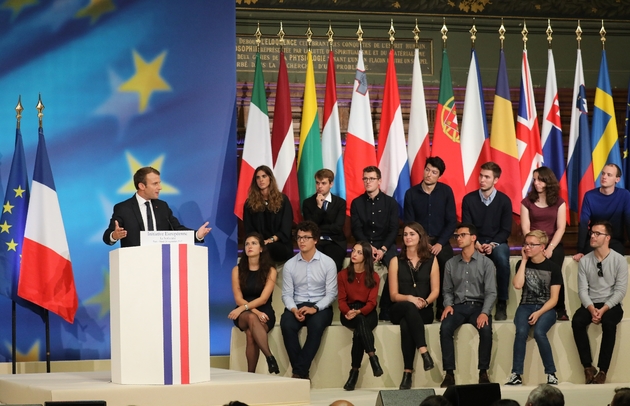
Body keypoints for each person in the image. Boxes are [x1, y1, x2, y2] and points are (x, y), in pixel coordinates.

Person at [439, 223, 496, 388]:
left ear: (473, 238)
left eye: (463, 235)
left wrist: (485, 312)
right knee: (445, 328)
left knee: (486, 330)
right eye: (457, 235)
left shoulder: (486, 263)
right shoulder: (451, 263)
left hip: (478, 306)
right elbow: (447, 290)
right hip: (458, 306)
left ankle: (483, 371)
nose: (458, 238)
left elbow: (491, 292)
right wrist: (448, 305)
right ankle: (449, 373)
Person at [571, 220, 628, 384]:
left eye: (598, 234)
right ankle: (588, 367)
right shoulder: (585, 261)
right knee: (577, 321)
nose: (593, 236)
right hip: (591, 303)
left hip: (611, 304)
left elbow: (620, 291)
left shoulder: (619, 260)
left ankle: (603, 370)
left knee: (609, 324)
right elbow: (582, 290)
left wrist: (603, 310)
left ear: (608, 238)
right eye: (592, 233)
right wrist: (591, 309)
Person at [280, 221, 338, 379]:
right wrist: (293, 309)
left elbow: (331, 293)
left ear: (316, 240)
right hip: (297, 304)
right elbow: (286, 294)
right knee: (287, 325)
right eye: (299, 238)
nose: (301, 241)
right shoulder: (290, 265)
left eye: (306, 237)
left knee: (316, 326)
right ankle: (302, 372)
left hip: (320, 306)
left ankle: (298, 373)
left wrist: (315, 308)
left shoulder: (328, 263)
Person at [505, 230, 562, 386]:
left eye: (532, 244)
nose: (527, 247)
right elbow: (517, 285)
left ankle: (551, 374)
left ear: (542, 247)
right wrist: (523, 261)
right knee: (521, 332)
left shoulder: (553, 268)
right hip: (525, 305)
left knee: (539, 332)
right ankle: (516, 374)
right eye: (526, 244)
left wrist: (539, 312)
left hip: (546, 307)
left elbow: (554, 299)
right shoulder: (521, 264)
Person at [103, 166, 211, 247]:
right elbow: (107, 236)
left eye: (159, 183)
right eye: (155, 184)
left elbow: (177, 230)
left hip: (161, 263)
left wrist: (197, 235)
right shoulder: (123, 208)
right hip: (134, 265)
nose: (160, 187)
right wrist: (114, 235)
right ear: (142, 186)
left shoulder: (162, 206)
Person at [404, 156, 457, 317]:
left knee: (447, 264)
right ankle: (421, 305)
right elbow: (410, 222)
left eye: (434, 172)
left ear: (439, 176)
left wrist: (440, 243)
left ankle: (443, 306)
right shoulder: (411, 193)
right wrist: (423, 242)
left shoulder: (446, 192)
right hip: (418, 240)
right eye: (427, 170)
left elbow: (451, 221)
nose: (429, 174)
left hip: (441, 241)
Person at [388, 222, 439, 390]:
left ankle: (407, 372)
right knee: (408, 308)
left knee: (406, 324)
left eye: (412, 234)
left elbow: (436, 290)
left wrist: (425, 301)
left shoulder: (431, 260)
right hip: (399, 308)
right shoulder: (396, 260)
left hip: (423, 310)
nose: (408, 237)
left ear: (420, 237)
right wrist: (410, 298)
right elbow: (394, 295)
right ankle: (424, 351)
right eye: (405, 235)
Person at [462, 162, 513, 321]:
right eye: (481, 175)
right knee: (468, 257)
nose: (482, 179)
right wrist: (475, 243)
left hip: (497, 242)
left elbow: (506, 229)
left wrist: (492, 244)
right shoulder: (469, 199)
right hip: (474, 241)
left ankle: (502, 302)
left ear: (495, 180)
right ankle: (472, 303)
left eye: (487, 177)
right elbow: (467, 226)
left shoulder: (504, 201)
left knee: (502, 259)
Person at [351, 165, 399, 320]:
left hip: (385, 243)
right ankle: (359, 307)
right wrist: (369, 248)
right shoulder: (356, 203)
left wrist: (383, 249)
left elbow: (393, 229)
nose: (368, 181)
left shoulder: (390, 203)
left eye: (371, 178)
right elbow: (356, 229)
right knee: (355, 265)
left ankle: (385, 308)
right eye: (365, 178)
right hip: (365, 244)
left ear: (379, 181)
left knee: (396, 268)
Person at [520, 166, 568, 320]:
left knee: (555, 273)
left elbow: (561, 228)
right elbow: (526, 228)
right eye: (534, 179)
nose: (536, 183)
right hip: (533, 244)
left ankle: (560, 308)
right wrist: (535, 247)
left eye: (540, 180)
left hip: (553, 244)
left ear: (548, 181)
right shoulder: (527, 202)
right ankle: (534, 306)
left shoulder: (559, 202)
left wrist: (550, 248)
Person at [228, 232, 279, 375]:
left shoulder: (270, 271)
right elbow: (238, 299)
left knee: (251, 333)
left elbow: (263, 299)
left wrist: (250, 309)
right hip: (244, 313)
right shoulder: (237, 270)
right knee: (251, 318)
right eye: (247, 244)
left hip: (265, 310)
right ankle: (270, 357)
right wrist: (253, 311)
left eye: (254, 243)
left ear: (261, 249)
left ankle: (251, 374)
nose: (249, 246)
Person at [338, 241, 382, 391]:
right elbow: (341, 301)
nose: (354, 254)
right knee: (360, 323)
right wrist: (348, 311)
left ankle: (354, 372)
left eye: (359, 252)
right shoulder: (343, 275)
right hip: (348, 311)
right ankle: (373, 357)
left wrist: (359, 312)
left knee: (359, 330)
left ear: (366, 257)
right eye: (354, 251)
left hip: (367, 311)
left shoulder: (374, 276)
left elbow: (372, 303)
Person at [573, 163, 630, 261]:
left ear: (617, 179)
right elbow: (583, 223)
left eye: (609, 175)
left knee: (615, 262)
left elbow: (629, 222)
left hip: (615, 240)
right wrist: (580, 250)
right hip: (594, 239)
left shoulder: (624, 195)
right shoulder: (590, 196)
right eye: (603, 173)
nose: (604, 177)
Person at [243, 165, 294, 263]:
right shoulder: (249, 203)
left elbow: (286, 227)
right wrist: (259, 242)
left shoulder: (283, 200)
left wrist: (271, 239)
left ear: (270, 178)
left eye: (264, 176)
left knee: (269, 249)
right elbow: (249, 228)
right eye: (258, 177)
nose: (261, 180)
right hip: (259, 245)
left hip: (280, 243)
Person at [302, 168, 347, 272]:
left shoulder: (340, 203)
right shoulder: (308, 203)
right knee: (312, 268)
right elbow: (310, 228)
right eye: (317, 183)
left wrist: (319, 228)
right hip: (314, 242)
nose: (320, 186)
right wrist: (319, 207)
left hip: (335, 242)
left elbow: (337, 228)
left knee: (332, 266)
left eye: (323, 183)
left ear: (331, 184)